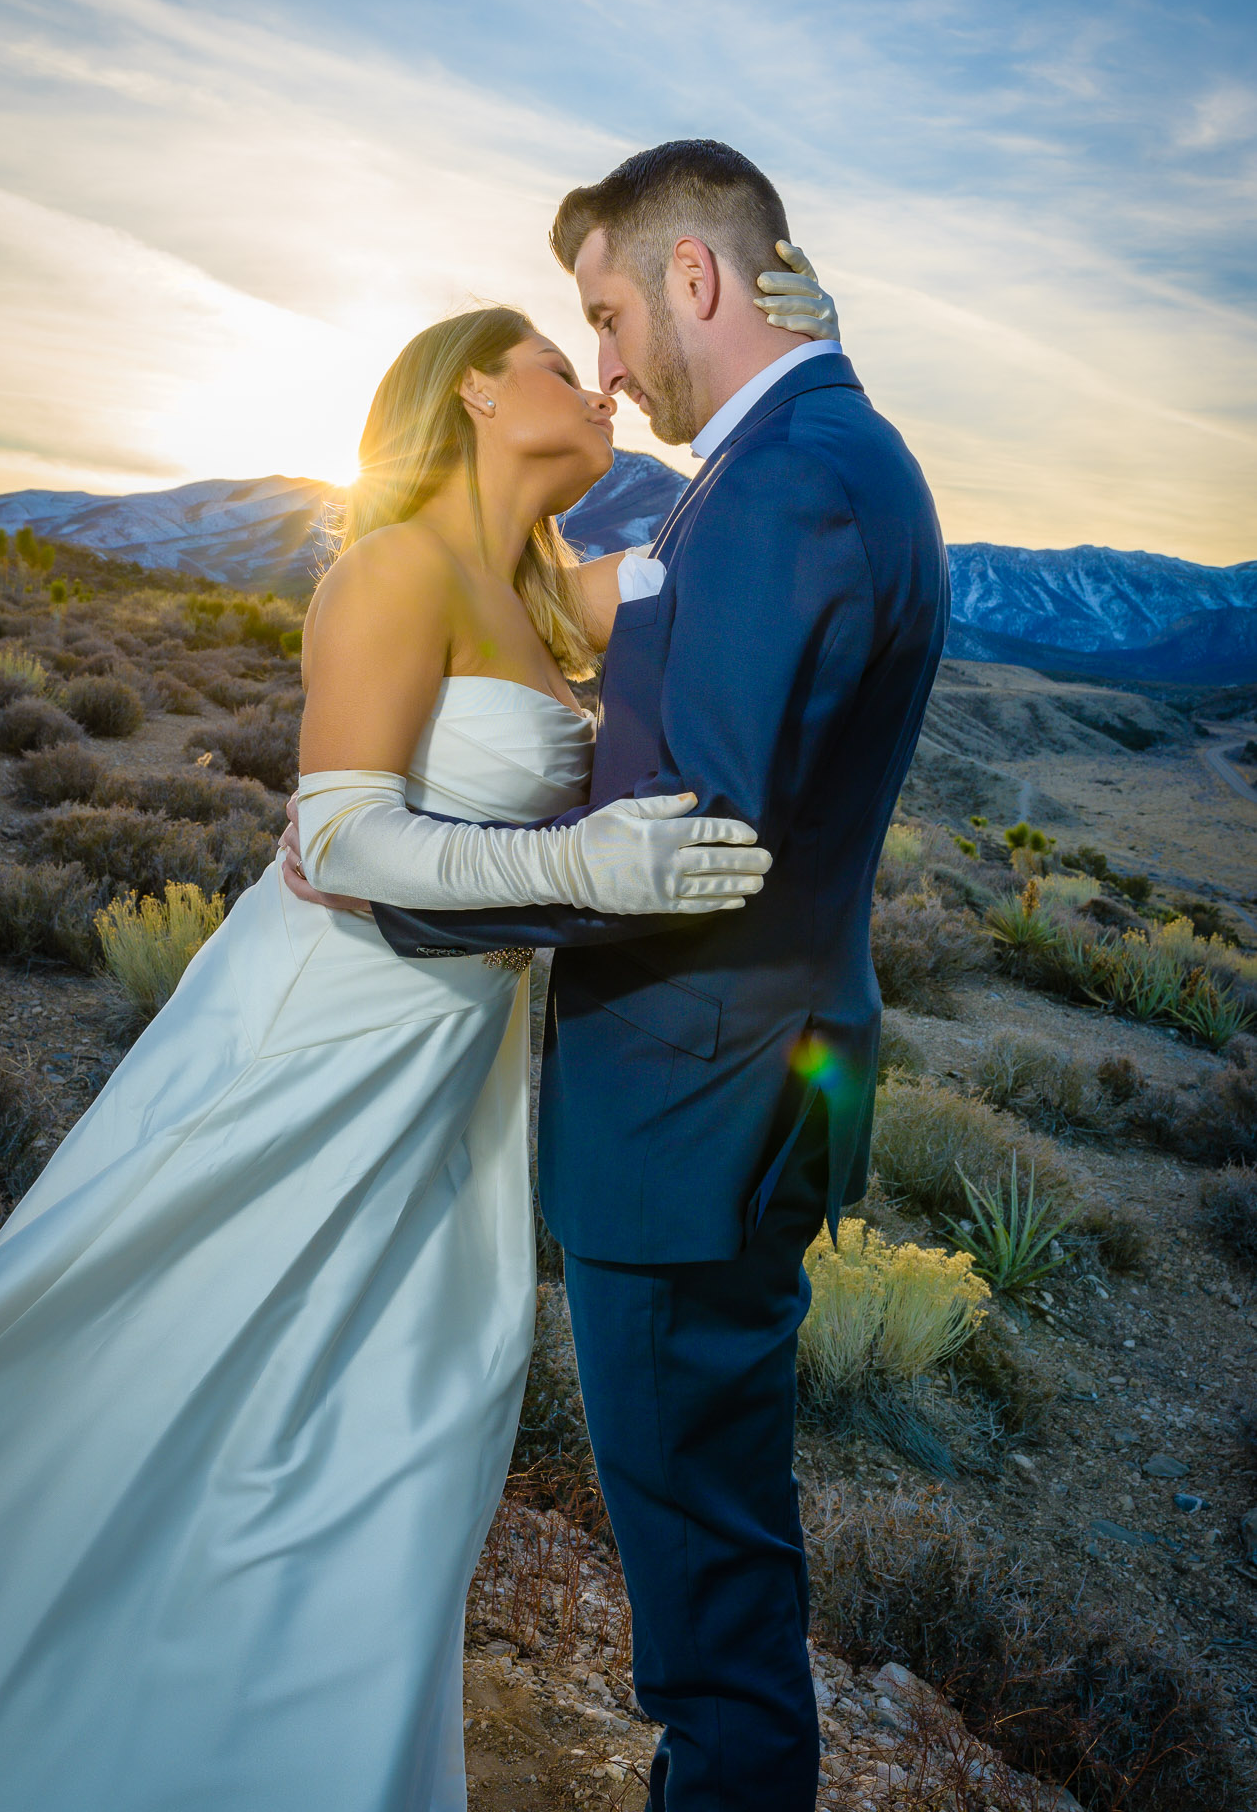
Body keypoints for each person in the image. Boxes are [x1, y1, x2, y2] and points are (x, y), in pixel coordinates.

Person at [0, 304, 790, 1812]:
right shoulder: (391, 566)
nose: (593, 380)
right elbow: (336, 833)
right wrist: (585, 863)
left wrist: (781, 355)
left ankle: (283, 1736)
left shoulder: (546, 586)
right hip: (318, 1037)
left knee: (403, 1416)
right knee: (156, 1349)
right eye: (552, 355)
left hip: (444, 1065)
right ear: (470, 389)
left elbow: (735, 538)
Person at [322, 140, 951, 1811]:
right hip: (727, 1089)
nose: (601, 358)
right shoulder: (803, 449)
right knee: (711, 1552)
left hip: (694, 1108)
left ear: (694, 279)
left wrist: (413, 909)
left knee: (708, 1607)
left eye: (605, 312)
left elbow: (701, 843)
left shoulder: (792, 477)